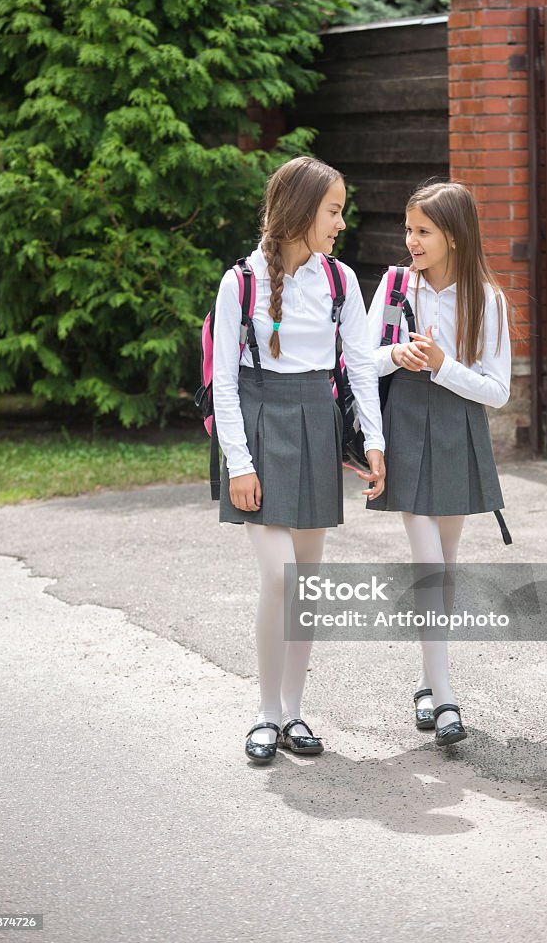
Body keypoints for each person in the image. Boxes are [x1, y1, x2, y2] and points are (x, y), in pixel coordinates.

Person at [212, 155, 386, 764]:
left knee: (305, 584)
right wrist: (239, 463)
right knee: (281, 578)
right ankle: (264, 713)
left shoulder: (341, 282)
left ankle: (292, 712)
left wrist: (375, 441)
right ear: (299, 210)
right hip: (259, 430)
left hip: (316, 423)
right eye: (333, 211)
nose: (341, 223)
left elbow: (360, 364)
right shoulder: (241, 281)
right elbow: (225, 381)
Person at [366, 181, 511, 747]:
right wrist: (396, 354)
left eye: (423, 231)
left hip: (457, 430)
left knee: (444, 566)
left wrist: (443, 365)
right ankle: (446, 699)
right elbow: (359, 358)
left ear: (454, 235)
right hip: (404, 425)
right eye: (409, 230)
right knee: (428, 563)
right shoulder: (398, 285)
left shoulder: (488, 300)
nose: (412, 241)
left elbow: (496, 391)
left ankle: (428, 684)